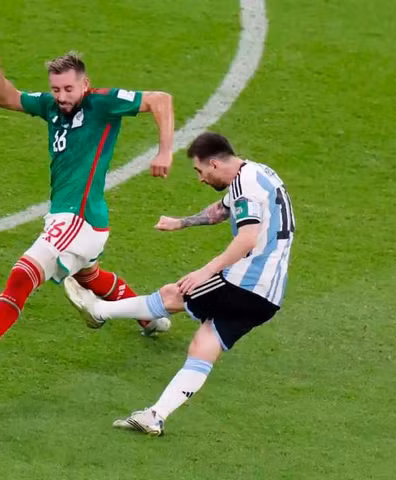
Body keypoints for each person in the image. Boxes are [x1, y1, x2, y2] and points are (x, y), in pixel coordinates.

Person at [0, 49, 175, 372]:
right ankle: (149, 317)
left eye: (69, 89)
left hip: (78, 219)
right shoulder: (51, 107)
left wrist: (165, 151)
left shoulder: (102, 103)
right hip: (80, 219)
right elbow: (8, 98)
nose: (62, 96)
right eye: (56, 89)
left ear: (86, 84)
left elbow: (161, 99)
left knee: (22, 274)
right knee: (91, 277)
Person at [64, 132, 295, 435]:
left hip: (246, 282)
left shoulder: (244, 186)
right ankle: (155, 416)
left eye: (200, 171)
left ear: (214, 163)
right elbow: (221, 211)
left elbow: (247, 237)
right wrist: (181, 222)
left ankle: (99, 310)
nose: (200, 179)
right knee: (204, 346)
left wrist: (205, 272)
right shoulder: (259, 174)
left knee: (174, 294)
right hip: (268, 298)